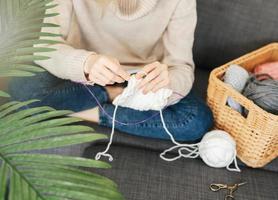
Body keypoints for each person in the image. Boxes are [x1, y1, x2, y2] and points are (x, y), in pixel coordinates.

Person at [9, 0, 213, 141]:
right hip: (76, 69)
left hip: (136, 83)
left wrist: (167, 81)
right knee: (18, 91)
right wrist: (86, 63)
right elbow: (46, 47)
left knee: (196, 120)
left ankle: (82, 108)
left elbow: (181, 67)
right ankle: (103, 97)